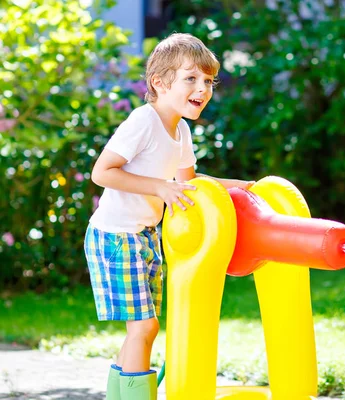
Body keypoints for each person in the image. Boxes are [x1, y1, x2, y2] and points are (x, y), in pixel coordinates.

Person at [84, 33, 253, 400]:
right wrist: (159, 188)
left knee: (143, 329)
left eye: (208, 81)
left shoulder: (181, 129)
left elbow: (189, 183)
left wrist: (243, 187)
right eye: (191, 78)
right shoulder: (143, 121)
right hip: (114, 236)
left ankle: (122, 395)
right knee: (144, 327)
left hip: (144, 236)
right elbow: (103, 172)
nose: (202, 88)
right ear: (159, 83)